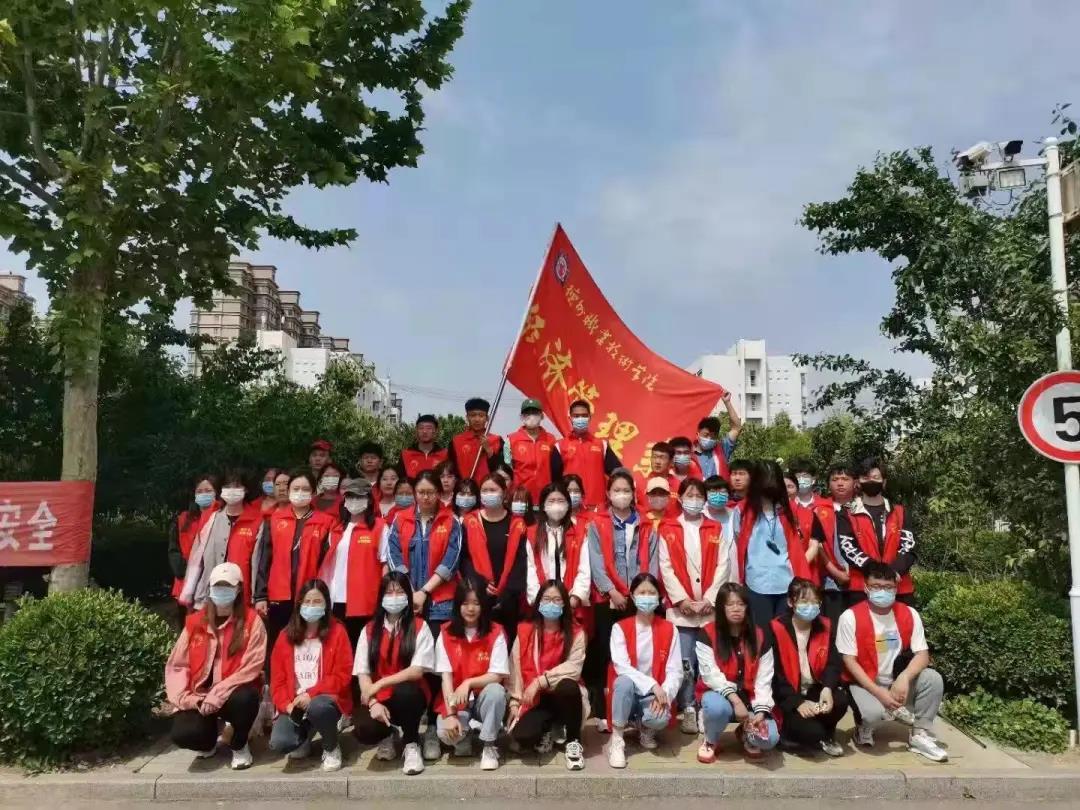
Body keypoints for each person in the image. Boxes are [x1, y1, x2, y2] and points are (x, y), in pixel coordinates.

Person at [382, 468, 462, 760]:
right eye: (421, 492)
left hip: (440, 604)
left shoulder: (451, 521)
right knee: (409, 661)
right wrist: (410, 592)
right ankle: (408, 727)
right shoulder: (400, 520)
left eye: (430, 492)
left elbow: (451, 561)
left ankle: (431, 728)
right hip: (407, 603)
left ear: (439, 493)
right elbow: (394, 558)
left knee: (436, 667)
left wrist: (424, 591)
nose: (426, 497)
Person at [836, 561, 946, 762]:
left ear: (896, 588)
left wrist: (904, 678)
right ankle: (863, 727)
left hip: (896, 681)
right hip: (865, 683)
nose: (882, 592)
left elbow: (922, 654)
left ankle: (920, 734)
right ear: (866, 587)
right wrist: (879, 693)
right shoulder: (850, 617)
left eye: (888, 587)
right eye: (876, 586)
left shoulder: (909, 613)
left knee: (933, 679)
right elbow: (849, 661)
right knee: (873, 714)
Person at [166, 562, 266, 770]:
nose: (221, 591)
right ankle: (208, 741)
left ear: (238, 589)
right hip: (200, 696)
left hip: (233, 693)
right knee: (182, 734)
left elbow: (252, 666)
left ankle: (239, 745)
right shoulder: (195, 622)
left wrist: (219, 693)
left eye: (227, 586)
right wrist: (188, 699)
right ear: (210, 588)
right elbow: (178, 665)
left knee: (246, 699)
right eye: (217, 586)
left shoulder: (252, 621)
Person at [586, 470, 659, 732]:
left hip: (639, 599)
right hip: (608, 600)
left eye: (626, 490)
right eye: (616, 490)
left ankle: (636, 712)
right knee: (606, 654)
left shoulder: (646, 524)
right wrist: (611, 591)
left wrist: (643, 592)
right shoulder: (597, 523)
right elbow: (595, 561)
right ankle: (604, 713)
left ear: (633, 494)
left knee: (635, 654)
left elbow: (652, 561)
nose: (621, 495)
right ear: (608, 493)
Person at [657, 477, 729, 735]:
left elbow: (723, 565)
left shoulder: (715, 528)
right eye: (690, 495)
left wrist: (710, 599)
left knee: (709, 660)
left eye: (699, 496)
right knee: (685, 660)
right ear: (680, 498)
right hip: (682, 610)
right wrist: (682, 600)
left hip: (709, 609)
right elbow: (665, 567)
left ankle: (704, 705)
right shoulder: (668, 527)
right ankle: (687, 705)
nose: (695, 500)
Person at [352, 572, 436, 775]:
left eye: (399, 592)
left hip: (409, 695)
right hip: (379, 697)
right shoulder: (369, 630)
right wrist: (373, 702)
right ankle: (388, 734)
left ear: (408, 595)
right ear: (381, 597)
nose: (394, 597)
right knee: (364, 728)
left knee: (406, 692)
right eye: (389, 592)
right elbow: (362, 673)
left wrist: (381, 683)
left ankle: (411, 743)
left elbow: (417, 670)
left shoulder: (420, 626)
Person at [268, 579, 352, 772]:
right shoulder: (285, 636)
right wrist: (287, 706)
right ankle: (304, 738)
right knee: (280, 742)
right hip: (295, 704)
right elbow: (277, 682)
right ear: (299, 604)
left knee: (318, 707)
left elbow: (343, 675)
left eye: (317, 601)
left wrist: (311, 694)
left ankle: (331, 747)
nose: (312, 606)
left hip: (325, 700)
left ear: (326, 604)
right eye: (307, 602)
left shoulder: (337, 632)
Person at [508, 580, 589, 771]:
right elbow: (515, 666)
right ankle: (550, 728)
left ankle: (573, 741)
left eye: (557, 600)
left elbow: (574, 668)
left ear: (565, 604)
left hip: (563, 695)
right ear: (538, 602)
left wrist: (541, 681)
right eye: (546, 599)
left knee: (568, 686)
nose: (551, 604)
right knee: (521, 737)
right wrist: (514, 701)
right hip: (535, 698)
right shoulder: (525, 630)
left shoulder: (576, 632)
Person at [254, 471, 337, 653]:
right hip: (278, 594)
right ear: (289, 491)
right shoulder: (275, 519)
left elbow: (327, 563)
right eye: (296, 488)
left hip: (310, 594)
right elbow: (264, 560)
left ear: (313, 492)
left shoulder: (326, 522)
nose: (300, 493)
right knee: (278, 644)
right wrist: (261, 596)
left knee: (307, 644)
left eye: (305, 489)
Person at [605, 573, 680, 769]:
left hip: (652, 695)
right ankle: (617, 740)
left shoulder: (670, 629)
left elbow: (675, 670)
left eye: (651, 593)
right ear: (632, 596)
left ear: (659, 597)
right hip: (627, 693)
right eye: (642, 592)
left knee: (660, 718)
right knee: (623, 681)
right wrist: (653, 685)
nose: (647, 597)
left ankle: (646, 728)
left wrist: (664, 693)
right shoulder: (619, 628)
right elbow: (621, 666)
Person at [696, 583, 778, 762]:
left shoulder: (760, 636)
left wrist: (761, 712)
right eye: (730, 604)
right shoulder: (707, 633)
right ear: (721, 607)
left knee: (770, 739)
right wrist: (736, 701)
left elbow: (764, 678)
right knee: (716, 708)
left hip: (751, 698)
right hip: (720, 695)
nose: (736, 609)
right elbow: (711, 676)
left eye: (741, 604)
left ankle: (745, 733)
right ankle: (711, 739)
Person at [434, 578, 509, 770]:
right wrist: (451, 714)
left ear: (483, 605)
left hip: (483, 698)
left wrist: (468, 683)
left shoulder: (496, 631)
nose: (470, 608)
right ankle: (466, 734)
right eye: (465, 603)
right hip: (458, 701)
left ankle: (489, 745)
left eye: (476, 603)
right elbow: (446, 678)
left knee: (496, 692)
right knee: (446, 734)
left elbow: (497, 675)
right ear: (457, 605)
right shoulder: (445, 633)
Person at [733, 460, 817, 626]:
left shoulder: (789, 510)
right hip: (756, 583)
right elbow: (738, 544)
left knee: (785, 633)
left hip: (787, 582)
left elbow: (796, 548)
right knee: (762, 633)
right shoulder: (742, 511)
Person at [770, 577, 848, 757]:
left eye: (815, 602)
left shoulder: (826, 626)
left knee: (840, 700)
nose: (810, 606)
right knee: (812, 734)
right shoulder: (776, 629)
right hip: (788, 695)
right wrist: (797, 702)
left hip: (815, 689)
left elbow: (834, 662)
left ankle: (827, 733)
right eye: (804, 601)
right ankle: (788, 735)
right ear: (791, 602)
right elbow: (775, 675)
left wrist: (827, 688)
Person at [837, 458, 917, 605]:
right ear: (858, 483)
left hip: (899, 587)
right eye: (866, 478)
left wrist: (893, 572)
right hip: (861, 588)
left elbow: (908, 546)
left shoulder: (900, 512)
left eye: (875, 478)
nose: (871, 482)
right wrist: (876, 572)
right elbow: (848, 548)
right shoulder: (846, 513)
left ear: (884, 482)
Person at [460, 474, 529, 643]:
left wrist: (506, 592)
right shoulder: (469, 522)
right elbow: (464, 559)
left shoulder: (517, 524)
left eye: (493, 490)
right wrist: (480, 584)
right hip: (478, 597)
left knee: (507, 644)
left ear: (504, 493)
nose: (488, 494)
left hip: (509, 598)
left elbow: (522, 561)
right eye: (484, 490)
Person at [180, 469, 264, 609]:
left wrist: (257, 597)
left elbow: (258, 563)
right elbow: (197, 558)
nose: (232, 491)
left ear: (246, 489)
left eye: (237, 486)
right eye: (227, 486)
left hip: (242, 596)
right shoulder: (212, 518)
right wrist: (190, 591)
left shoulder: (257, 521)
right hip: (209, 594)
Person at [322, 479, 385, 648]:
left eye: (360, 497)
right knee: (340, 646)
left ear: (369, 500)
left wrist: (383, 596)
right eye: (351, 497)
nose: (355, 501)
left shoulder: (379, 527)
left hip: (366, 599)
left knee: (363, 647)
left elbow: (385, 563)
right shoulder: (337, 529)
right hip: (337, 598)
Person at [525, 483, 591, 618]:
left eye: (560, 501)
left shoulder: (579, 532)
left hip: (571, 602)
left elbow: (585, 568)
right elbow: (529, 569)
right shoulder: (531, 533)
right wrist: (540, 601)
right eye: (551, 501)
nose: (556, 505)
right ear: (543, 505)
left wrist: (575, 598)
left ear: (568, 505)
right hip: (541, 604)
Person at [551, 399, 621, 510]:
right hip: (571, 508)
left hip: (598, 507)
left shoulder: (602, 445)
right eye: (576, 416)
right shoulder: (559, 446)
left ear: (590, 418)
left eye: (584, 415)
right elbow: (554, 480)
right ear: (570, 418)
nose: (580, 419)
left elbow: (618, 473)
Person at [168, 474, 219, 621]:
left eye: (208, 491)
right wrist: (186, 572)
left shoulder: (221, 518)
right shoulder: (183, 519)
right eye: (200, 491)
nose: (204, 494)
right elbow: (174, 549)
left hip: (211, 582)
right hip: (185, 582)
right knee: (187, 626)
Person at [811, 464, 856, 622]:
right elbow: (817, 546)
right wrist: (835, 572)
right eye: (835, 479)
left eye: (845, 479)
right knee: (833, 628)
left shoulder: (863, 509)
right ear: (828, 484)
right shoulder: (818, 510)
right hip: (830, 582)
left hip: (861, 582)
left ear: (855, 483)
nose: (840, 483)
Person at [504, 398, 556, 504]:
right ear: (521, 417)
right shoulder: (510, 440)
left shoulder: (551, 439)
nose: (531, 416)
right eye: (527, 413)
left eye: (535, 413)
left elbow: (555, 468)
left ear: (542, 416)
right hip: (520, 497)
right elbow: (507, 469)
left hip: (545, 497)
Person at [788, 461, 829, 587]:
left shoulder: (827, 506)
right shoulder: (782, 509)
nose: (801, 479)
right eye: (797, 476)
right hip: (788, 571)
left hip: (823, 571)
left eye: (805, 476)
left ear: (813, 479)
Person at [450, 397, 504, 483]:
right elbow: (452, 470)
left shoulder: (497, 440)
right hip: (465, 488)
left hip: (489, 488)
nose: (477, 419)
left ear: (487, 418)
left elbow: (502, 469)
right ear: (467, 417)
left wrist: (489, 450)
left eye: (481, 415)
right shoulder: (456, 441)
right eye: (473, 415)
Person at [691, 397, 741, 480]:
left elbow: (736, 428)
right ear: (697, 434)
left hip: (718, 488)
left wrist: (727, 402)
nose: (709, 438)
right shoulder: (688, 453)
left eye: (713, 436)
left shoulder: (723, 448)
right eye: (706, 435)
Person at [703, 475, 737, 583]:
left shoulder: (735, 515)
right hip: (709, 570)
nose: (718, 495)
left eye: (722, 491)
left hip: (732, 572)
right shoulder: (700, 515)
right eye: (713, 491)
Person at [633, 441, 678, 514]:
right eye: (654, 457)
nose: (657, 461)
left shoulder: (679, 486)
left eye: (662, 458)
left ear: (671, 462)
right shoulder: (639, 485)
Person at [400, 415, 448, 480]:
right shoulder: (405, 455)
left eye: (429, 428)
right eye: (421, 428)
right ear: (416, 431)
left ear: (436, 431)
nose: (424, 431)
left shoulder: (445, 455)